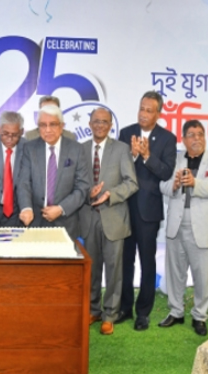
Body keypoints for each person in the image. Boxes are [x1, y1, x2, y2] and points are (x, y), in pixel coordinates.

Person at [159, 120, 208, 336]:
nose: (196, 138)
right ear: (183, 139)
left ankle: (199, 316)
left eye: (200, 134)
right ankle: (176, 311)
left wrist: (195, 183)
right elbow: (162, 185)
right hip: (176, 224)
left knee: (202, 276)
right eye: (191, 134)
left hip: (203, 226)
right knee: (175, 273)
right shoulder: (174, 160)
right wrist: (174, 185)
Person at [117, 90, 176, 331]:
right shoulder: (126, 133)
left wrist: (147, 156)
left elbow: (166, 172)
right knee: (125, 261)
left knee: (147, 263)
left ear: (158, 114)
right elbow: (116, 168)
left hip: (148, 211)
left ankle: (143, 313)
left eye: (149, 110)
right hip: (123, 208)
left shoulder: (167, 139)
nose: (143, 114)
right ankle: (124, 308)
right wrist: (132, 156)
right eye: (142, 108)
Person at [79, 107, 138, 335]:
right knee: (91, 268)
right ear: (90, 124)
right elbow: (76, 183)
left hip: (114, 217)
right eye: (96, 121)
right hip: (88, 218)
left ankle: (110, 314)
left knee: (114, 270)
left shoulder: (121, 149)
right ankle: (93, 310)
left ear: (111, 125)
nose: (100, 125)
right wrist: (88, 193)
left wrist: (110, 194)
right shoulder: (80, 149)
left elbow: (131, 183)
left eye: (104, 122)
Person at [18, 104, 89, 241]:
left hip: (66, 222)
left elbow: (82, 187)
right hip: (35, 221)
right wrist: (26, 208)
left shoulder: (76, 149)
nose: (48, 130)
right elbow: (23, 183)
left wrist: (61, 208)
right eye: (43, 125)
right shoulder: (29, 149)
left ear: (62, 126)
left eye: (53, 124)